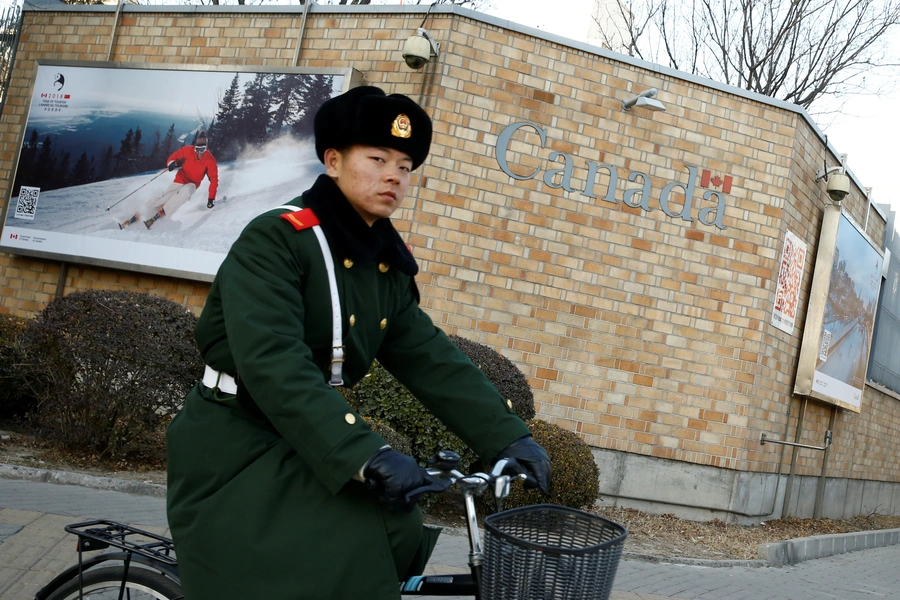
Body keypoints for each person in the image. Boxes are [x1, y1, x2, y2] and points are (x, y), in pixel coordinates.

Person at [165, 86, 552, 600]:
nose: (394, 174)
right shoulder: (278, 239)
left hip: (305, 444)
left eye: (405, 165)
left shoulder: (382, 267)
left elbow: (431, 359)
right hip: (235, 444)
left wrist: (509, 437)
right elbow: (273, 364)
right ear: (332, 161)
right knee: (349, 559)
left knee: (399, 528)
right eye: (376, 158)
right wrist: (365, 454)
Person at [119, 130, 219, 230]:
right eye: (198, 149)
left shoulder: (210, 160)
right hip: (181, 178)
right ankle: (142, 212)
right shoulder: (187, 150)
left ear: (206, 148)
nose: (199, 152)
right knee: (165, 198)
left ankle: (163, 213)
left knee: (185, 193)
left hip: (193, 183)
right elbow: (173, 157)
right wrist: (171, 163)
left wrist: (211, 198)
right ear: (194, 147)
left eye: (202, 149)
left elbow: (214, 179)